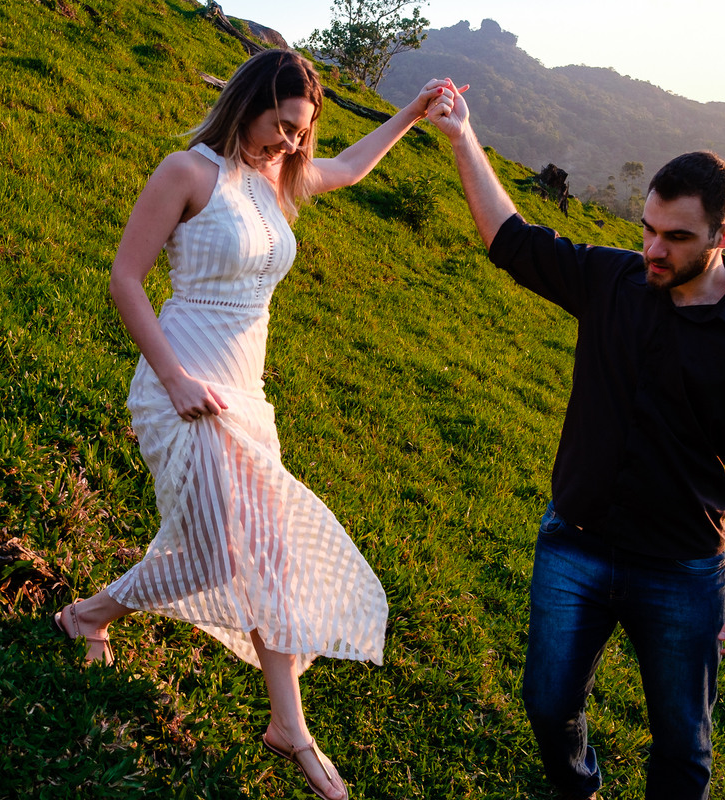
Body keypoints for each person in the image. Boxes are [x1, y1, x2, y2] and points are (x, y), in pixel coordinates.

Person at [52, 49, 458, 800]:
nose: (292, 144)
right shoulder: (188, 171)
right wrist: (173, 377)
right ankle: (88, 614)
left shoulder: (282, 178)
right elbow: (125, 279)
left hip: (247, 394)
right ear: (247, 105)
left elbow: (352, 165)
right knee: (212, 558)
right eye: (281, 126)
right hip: (182, 382)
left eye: (302, 133)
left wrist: (409, 114)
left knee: (267, 555)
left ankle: (287, 728)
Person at [428, 79, 725, 800]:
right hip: (574, 542)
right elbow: (510, 241)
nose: (653, 249)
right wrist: (462, 136)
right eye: (647, 228)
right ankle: (580, 791)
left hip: (681, 569)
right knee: (548, 705)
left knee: (682, 744)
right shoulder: (613, 278)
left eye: (675, 238)